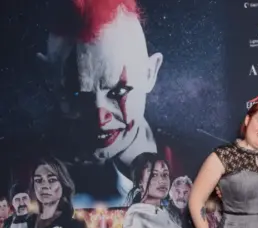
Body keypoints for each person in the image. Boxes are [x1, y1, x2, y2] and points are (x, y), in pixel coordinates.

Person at [37, 0, 164, 207]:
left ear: (150, 74)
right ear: (49, 78)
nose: (100, 118)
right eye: (77, 94)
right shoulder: (17, 169)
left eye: (118, 92)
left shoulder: (189, 160)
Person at [27, 157, 97, 228]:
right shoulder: (27, 222)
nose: (44, 186)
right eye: (38, 180)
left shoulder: (76, 227)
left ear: (63, 184)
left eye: (51, 180)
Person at [123, 153, 187, 228]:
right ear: (139, 181)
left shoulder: (168, 213)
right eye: (153, 175)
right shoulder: (137, 217)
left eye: (165, 174)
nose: (162, 180)